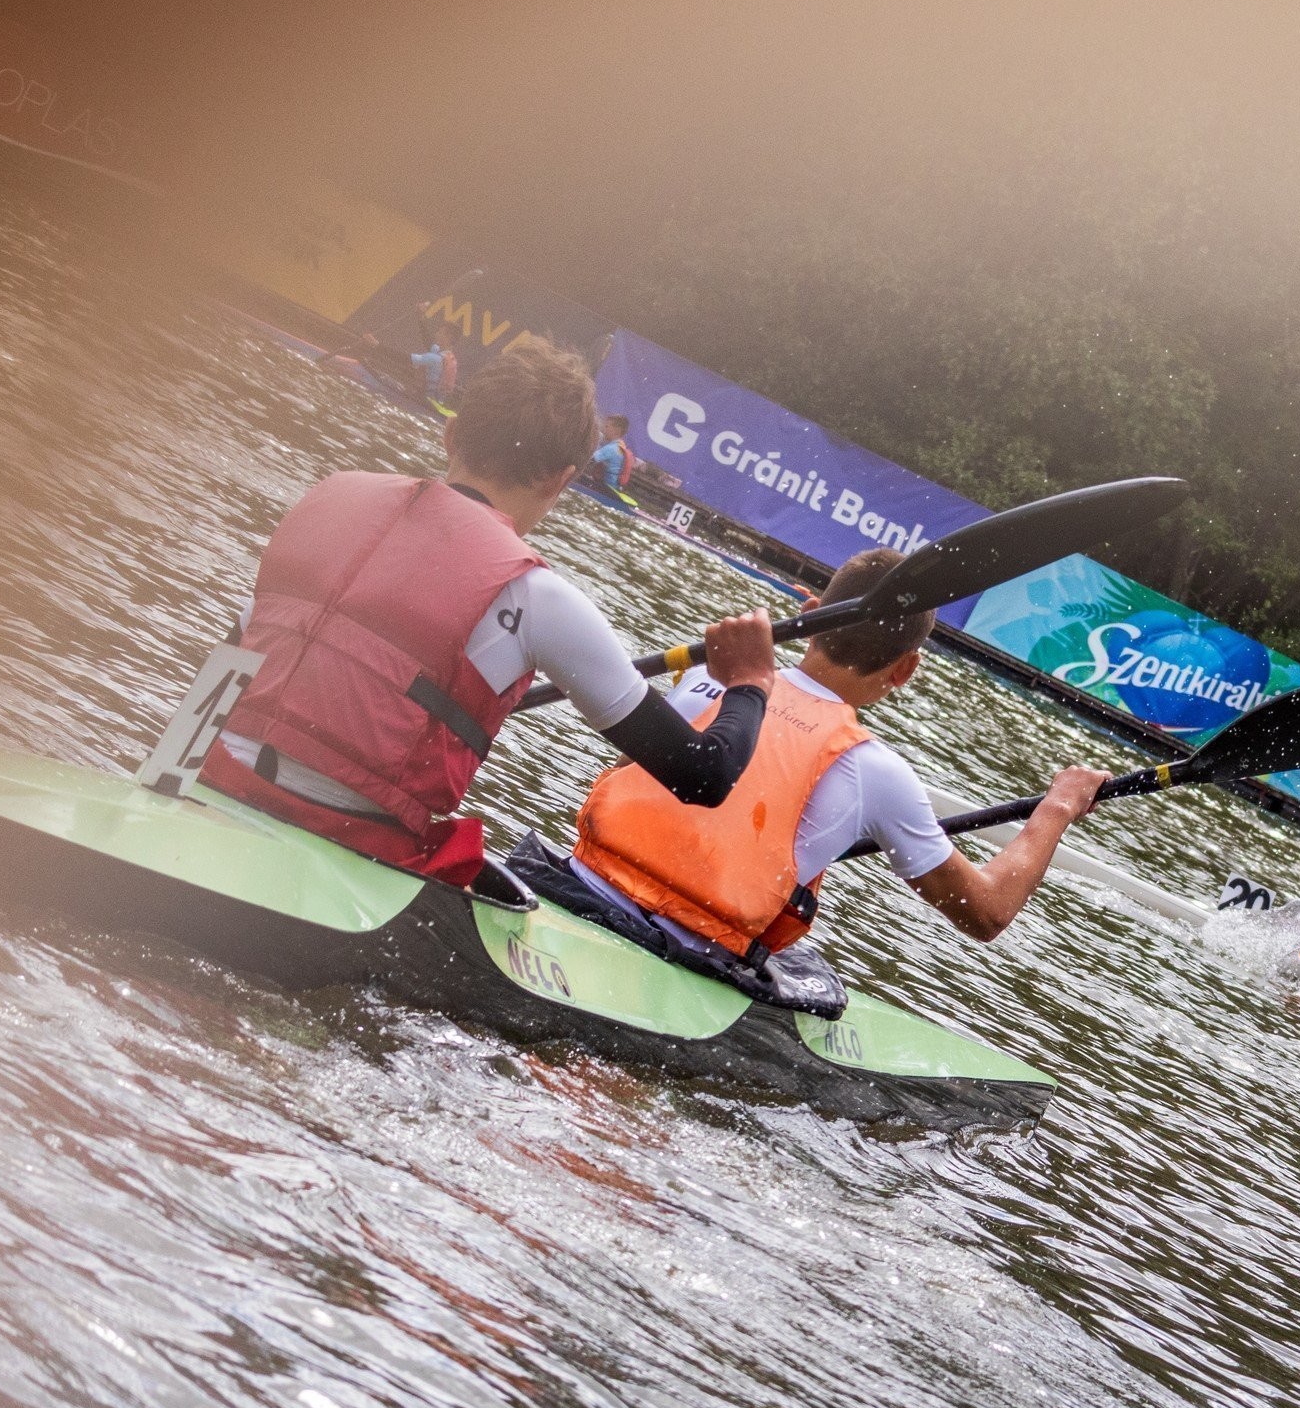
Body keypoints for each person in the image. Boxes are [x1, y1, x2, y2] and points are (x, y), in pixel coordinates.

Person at [202, 336, 779, 888]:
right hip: (354, 847)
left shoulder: (330, 495)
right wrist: (751, 683)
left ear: (451, 435)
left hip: (211, 783)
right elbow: (703, 775)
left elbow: (228, 667)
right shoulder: (539, 598)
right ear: (562, 480)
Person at [531, 546, 1110, 1001]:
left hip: (568, 885)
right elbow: (985, 913)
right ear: (906, 670)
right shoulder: (877, 773)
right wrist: (1057, 810)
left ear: (808, 616)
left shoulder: (707, 679)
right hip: (683, 953)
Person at [587, 415, 635, 491]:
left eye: (607, 427)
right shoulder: (620, 445)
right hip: (614, 488)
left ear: (616, 431)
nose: (603, 429)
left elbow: (589, 460)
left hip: (604, 489)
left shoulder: (611, 449)